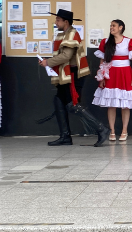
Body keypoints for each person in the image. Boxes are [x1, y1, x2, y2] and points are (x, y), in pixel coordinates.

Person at [39, 9, 110, 147]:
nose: (56, 22)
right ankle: (65, 137)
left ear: (66, 22)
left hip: (72, 75)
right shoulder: (64, 34)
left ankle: (102, 128)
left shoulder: (71, 34)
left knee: (73, 105)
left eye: (58, 20)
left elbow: (66, 56)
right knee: (59, 101)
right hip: (65, 75)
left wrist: (48, 62)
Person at [92, 19, 132, 142]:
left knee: (125, 105)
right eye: (110, 26)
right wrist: (102, 77)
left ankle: (124, 130)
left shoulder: (129, 42)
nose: (111, 28)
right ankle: (112, 131)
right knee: (111, 104)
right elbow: (102, 61)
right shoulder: (106, 42)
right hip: (111, 73)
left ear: (121, 27)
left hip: (125, 73)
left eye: (113, 26)